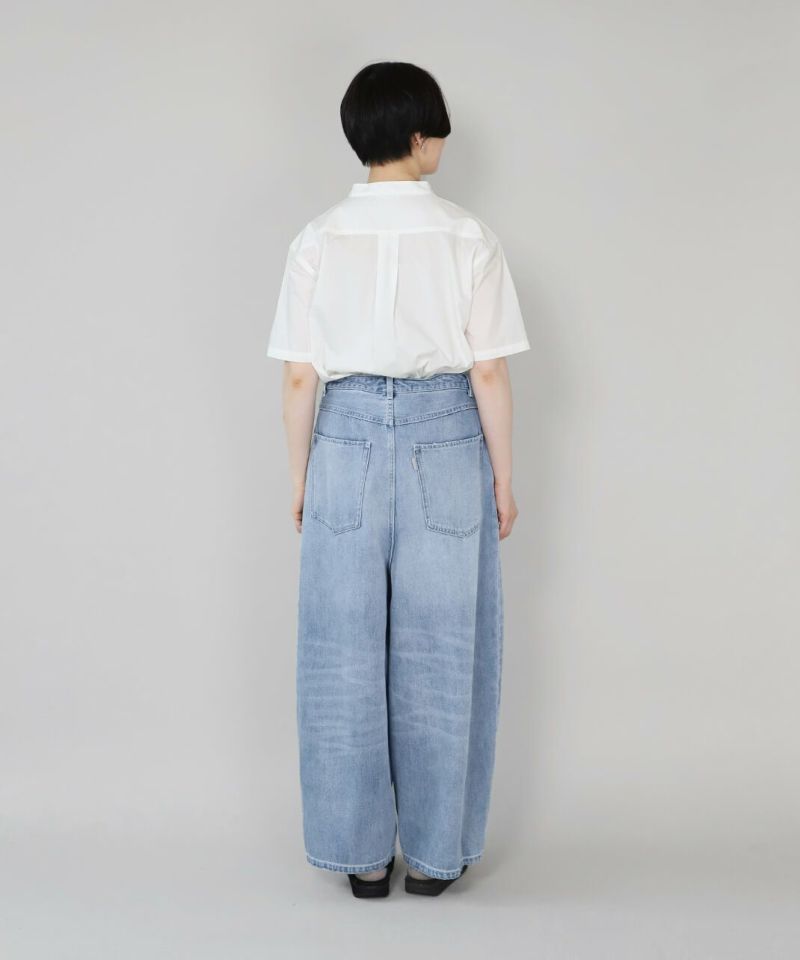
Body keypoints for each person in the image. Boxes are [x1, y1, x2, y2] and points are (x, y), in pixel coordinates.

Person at [266, 61, 530, 898]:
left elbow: (300, 377)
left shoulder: (317, 238)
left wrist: (303, 475)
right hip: (444, 439)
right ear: (418, 138)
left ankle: (362, 859)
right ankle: (437, 857)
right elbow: (488, 370)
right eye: (439, 130)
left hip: (342, 441)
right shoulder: (468, 237)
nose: (444, 142)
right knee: (444, 647)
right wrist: (503, 477)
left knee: (338, 650)